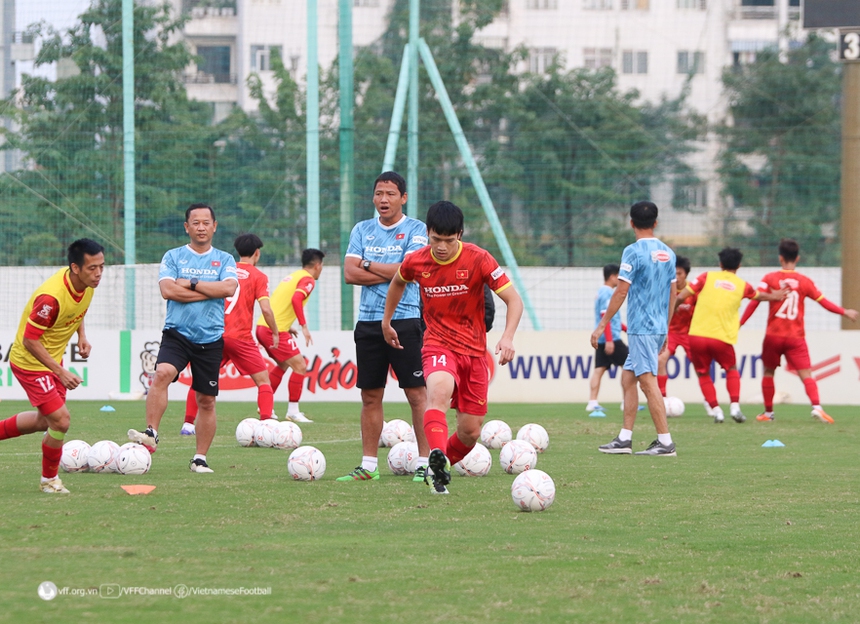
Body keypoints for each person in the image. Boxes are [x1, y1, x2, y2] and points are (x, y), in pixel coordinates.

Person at [382, 200, 524, 494]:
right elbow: (397, 282)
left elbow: (514, 299)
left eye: (449, 240)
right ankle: (434, 460)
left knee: (471, 431)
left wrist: (508, 336)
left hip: (473, 353)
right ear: (428, 233)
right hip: (437, 345)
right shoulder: (417, 260)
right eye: (436, 240)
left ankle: (440, 465)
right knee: (438, 394)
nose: (442, 247)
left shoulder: (479, 259)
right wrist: (387, 321)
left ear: (460, 234)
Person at [128, 203, 238, 473]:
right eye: (195, 223)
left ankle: (199, 458)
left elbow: (229, 287)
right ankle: (151, 432)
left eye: (206, 222)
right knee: (162, 372)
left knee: (206, 400)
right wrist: (210, 291)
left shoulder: (225, 259)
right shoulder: (173, 256)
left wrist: (189, 283)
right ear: (186, 227)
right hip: (177, 332)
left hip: (211, 338)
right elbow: (167, 291)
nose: (201, 227)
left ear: (214, 226)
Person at [336, 171, 431, 483]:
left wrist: (367, 264)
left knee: (417, 395)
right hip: (368, 322)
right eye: (379, 193)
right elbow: (349, 273)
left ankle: (424, 462)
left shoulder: (416, 229)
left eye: (390, 194)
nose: (383, 200)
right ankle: (368, 466)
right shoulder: (362, 229)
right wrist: (391, 271)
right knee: (370, 395)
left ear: (403, 198)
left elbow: (411, 271)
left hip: (405, 320)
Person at [0, 239, 105, 494]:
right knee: (61, 421)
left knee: (42, 422)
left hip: (50, 360)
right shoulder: (51, 298)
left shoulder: (87, 285)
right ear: (75, 268)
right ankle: (49, 481)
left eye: (102, 266)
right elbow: (29, 339)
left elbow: (77, 311)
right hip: (30, 363)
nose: (99, 273)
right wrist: (60, 371)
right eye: (92, 268)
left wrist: (82, 336)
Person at [591, 201, 677, 457]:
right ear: (656, 222)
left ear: (631, 223)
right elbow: (673, 294)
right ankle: (625, 439)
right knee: (627, 378)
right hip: (658, 327)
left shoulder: (633, 251)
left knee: (647, 382)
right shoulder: (668, 253)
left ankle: (665, 442)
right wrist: (666, 329)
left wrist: (602, 325)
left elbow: (621, 290)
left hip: (641, 328)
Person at [740, 238, 858, 423]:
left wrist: (740, 323)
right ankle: (817, 407)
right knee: (806, 374)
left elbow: (755, 301)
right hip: (796, 337)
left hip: (774, 335)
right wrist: (845, 312)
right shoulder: (805, 282)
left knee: (769, 372)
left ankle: (768, 413)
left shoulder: (770, 279)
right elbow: (824, 303)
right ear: (798, 258)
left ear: (780, 258)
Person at [182, 233, 280, 435]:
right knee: (263, 381)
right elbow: (267, 309)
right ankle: (266, 425)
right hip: (240, 338)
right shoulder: (259, 276)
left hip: (215, 334)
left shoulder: (224, 269)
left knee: (200, 380)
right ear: (257, 253)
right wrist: (275, 332)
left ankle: (188, 424)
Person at [677, 247, 787, 424]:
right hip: (721, 338)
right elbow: (760, 296)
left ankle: (716, 411)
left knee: (702, 373)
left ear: (720, 264)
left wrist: (670, 310)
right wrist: (776, 295)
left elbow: (681, 297)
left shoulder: (706, 277)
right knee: (731, 369)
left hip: (697, 335)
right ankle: (734, 406)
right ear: (739, 265)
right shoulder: (742, 285)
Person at [255, 248, 325, 423]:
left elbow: (280, 304)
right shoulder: (308, 280)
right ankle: (293, 411)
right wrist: (303, 326)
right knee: (300, 366)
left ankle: (265, 407)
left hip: (264, 327)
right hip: (272, 330)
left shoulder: (293, 276)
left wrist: (287, 326)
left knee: (283, 364)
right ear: (317, 265)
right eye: (321, 266)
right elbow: (295, 299)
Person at [586, 264, 628, 416]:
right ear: (612, 277)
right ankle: (627, 402)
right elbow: (606, 316)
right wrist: (610, 340)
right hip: (611, 339)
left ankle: (592, 402)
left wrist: (626, 329)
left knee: (599, 370)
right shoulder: (607, 292)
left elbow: (612, 317)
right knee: (629, 367)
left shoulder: (600, 292)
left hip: (604, 338)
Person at [656, 256, 697, 400]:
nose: (676, 277)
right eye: (673, 274)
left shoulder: (693, 290)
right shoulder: (666, 290)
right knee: (660, 361)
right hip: (671, 332)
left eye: (679, 273)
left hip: (690, 333)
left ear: (686, 273)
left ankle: (709, 403)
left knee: (701, 366)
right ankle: (663, 399)